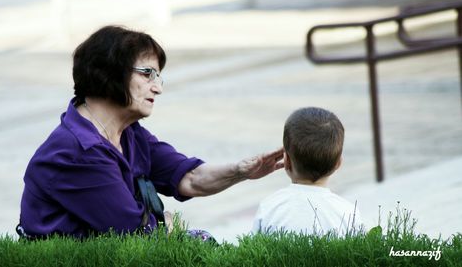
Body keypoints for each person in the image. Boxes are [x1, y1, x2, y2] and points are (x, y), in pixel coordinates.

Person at [17, 25, 284, 239]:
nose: (157, 88)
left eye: (158, 77)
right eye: (147, 74)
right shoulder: (76, 151)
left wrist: (241, 171)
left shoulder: (130, 133)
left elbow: (189, 178)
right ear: (110, 72)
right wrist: (163, 221)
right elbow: (136, 231)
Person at [251, 107, 363, 236]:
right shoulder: (348, 212)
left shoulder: (269, 207)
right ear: (338, 164)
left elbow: (254, 251)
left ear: (286, 161)